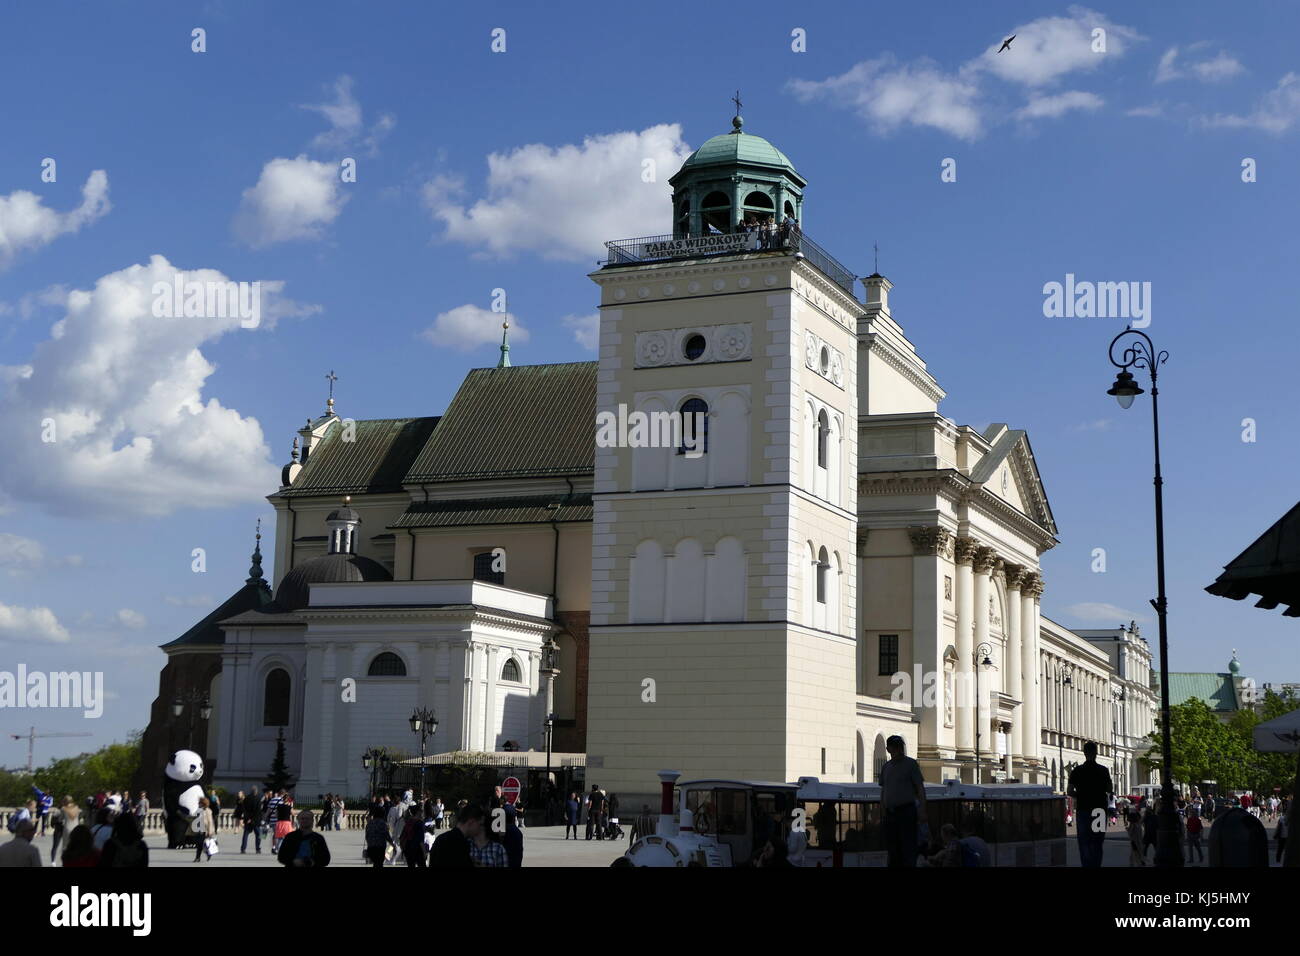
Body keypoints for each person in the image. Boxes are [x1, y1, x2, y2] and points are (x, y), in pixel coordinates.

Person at [879, 735, 927, 867]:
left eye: (900, 747)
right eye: (895, 747)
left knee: (908, 849)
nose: (899, 749)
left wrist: (922, 810)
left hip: (906, 811)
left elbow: (920, 788)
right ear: (888, 749)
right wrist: (882, 811)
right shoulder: (886, 767)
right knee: (892, 850)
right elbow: (883, 791)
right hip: (890, 814)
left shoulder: (910, 764)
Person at [1067, 741, 1113, 868]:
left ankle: (1086, 865)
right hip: (1099, 810)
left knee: (1084, 842)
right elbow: (1109, 789)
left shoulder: (1077, 770)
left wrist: (1081, 795)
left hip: (1083, 809)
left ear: (1084, 753)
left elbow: (1069, 791)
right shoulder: (1103, 770)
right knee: (1097, 842)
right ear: (1096, 753)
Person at [429, 803, 484, 868]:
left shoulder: (440, 839)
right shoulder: (463, 844)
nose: (481, 829)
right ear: (471, 822)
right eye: (480, 824)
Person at [51, 796, 79, 864]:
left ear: (65, 801)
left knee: (65, 847)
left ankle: (66, 862)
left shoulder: (64, 809)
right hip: (76, 828)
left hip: (67, 828)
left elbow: (60, 819)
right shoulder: (77, 807)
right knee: (74, 846)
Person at [193, 797, 216, 863]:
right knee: (199, 844)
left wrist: (210, 831)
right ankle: (198, 857)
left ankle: (207, 854)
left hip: (205, 830)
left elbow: (210, 822)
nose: (198, 804)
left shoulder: (208, 811)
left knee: (204, 844)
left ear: (203, 803)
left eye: (199, 802)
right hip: (200, 829)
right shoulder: (199, 810)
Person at [241, 788, 262, 853]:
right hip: (256, 820)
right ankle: (257, 848)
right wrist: (252, 819)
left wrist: (248, 819)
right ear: (256, 792)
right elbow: (258, 811)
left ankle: (243, 849)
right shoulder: (258, 799)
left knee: (246, 834)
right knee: (259, 835)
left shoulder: (246, 799)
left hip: (248, 820)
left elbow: (244, 810)